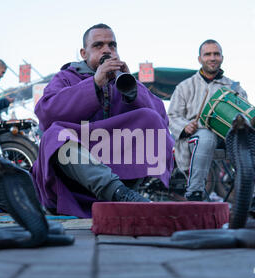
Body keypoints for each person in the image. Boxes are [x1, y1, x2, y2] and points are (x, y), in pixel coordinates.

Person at [31, 23, 174, 218]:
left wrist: (134, 89)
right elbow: (46, 112)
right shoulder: (65, 77)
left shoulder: (122, 79)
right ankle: (117, 193)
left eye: (112, 45)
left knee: (150, 118)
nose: (107, 50)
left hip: (111, 156)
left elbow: (160, 119)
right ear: (83, 53)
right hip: (76, 172)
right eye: (98, 45)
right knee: (54, 135)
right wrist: (94, 83)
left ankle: (124, 192)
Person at [168, 39, 255, 212]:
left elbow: (246, 112)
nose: (212, 58)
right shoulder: (185, 86)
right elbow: (172, 116)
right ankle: (195, 192)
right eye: (208, 54)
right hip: (198, 137)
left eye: (216, 54)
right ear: (200, 59)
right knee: (206, 136)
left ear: (222, 58)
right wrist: (185, 126)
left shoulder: (234, 87)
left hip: (230, 137)